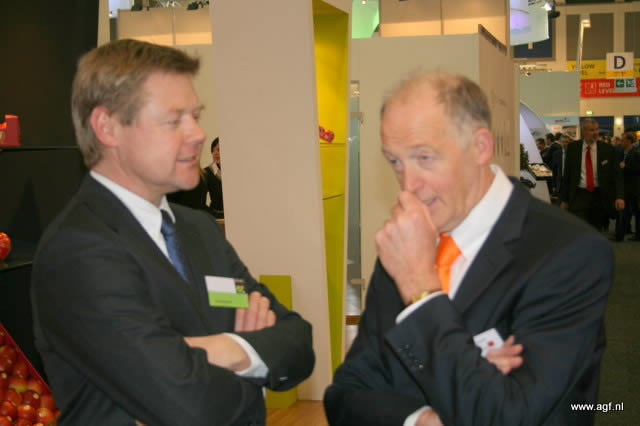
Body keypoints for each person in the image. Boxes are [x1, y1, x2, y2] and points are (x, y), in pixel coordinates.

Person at [30, 39, 314, 426]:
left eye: (195, 116)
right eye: (174, 120)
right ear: (107, 127)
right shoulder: (79, 251)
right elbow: (188, 406)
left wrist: (226, 350)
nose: (197, 134)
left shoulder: (199, 229)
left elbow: (298, 340)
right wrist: (254, 366)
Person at [324, 72, 612, 425]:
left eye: (424, 157)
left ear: (480, 147)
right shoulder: (407, 243)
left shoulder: (568, 252)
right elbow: (346, 394)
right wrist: (424, 418)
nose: (408, 185)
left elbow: (509, 415)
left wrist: (420, 291)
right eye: (395, 161)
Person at [560, 118, 624, 231]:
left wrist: (619, 196)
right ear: (584, 131)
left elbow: (616, 175)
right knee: (579, 228)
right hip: (579, 195)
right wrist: (564, 199)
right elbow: (567, 176)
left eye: (597, 129)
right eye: (592, 130)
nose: (595, 133)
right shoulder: (573, 148)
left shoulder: (608, 149)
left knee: (596, 229)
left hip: (599, 196)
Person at [616, 132, 640, 241]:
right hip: (627, 187)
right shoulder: (624, 152)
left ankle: (636, 234)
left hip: (634, 187)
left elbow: (638, 169)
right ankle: (624, 231)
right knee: (628, 211)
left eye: (623, 140)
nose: (621, 142)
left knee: (636, 211)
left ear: (628, 141)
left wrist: (625, 167)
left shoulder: (636, 152)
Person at [204, 137, 224, 218]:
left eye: (219, 150)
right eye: (213, 150)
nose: (215, 153)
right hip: (216, 217)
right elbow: (200, 202)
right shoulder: (206, 173)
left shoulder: (235, 171)